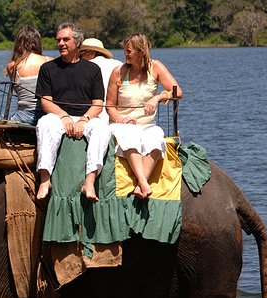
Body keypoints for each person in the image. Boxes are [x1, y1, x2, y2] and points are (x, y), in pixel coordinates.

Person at [35, 23, 109, 201]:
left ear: (77, 43)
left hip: (86, 117)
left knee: (102, 129)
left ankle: (89, 182)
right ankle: (45, 179)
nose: (61, 43)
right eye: (58, 40)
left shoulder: (92, 69)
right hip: (58, 116)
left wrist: (84, 120)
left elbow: (98, 104)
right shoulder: (48, 68)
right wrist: (64, 116)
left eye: (65, 39)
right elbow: (45, 102)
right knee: (44, 124)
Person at [106, 33, 182, 199]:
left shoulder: (155, 67)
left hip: (147, 124)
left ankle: (141, 186)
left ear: (141, 52)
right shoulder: (118, 72)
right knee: (130, 136)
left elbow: (177, 91)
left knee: (157, 137)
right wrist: (122, 119)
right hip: (122, 124)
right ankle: (143, 182)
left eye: (129, 51)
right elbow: (110, 106)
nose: (125, 54)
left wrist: (158, 97)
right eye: (125, 51)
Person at [5, 26, 53, 126]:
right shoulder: (51, 61)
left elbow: (19, 92)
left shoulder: (12, 66)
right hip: (47, 114)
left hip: (23, 115)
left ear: (18, 44)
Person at [79, 37, 123, 116]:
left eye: (81, 54)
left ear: (92, 53)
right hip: (117, 115)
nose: (79, 58)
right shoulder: (119, 64)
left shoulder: (83, 67)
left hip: (92, 115)